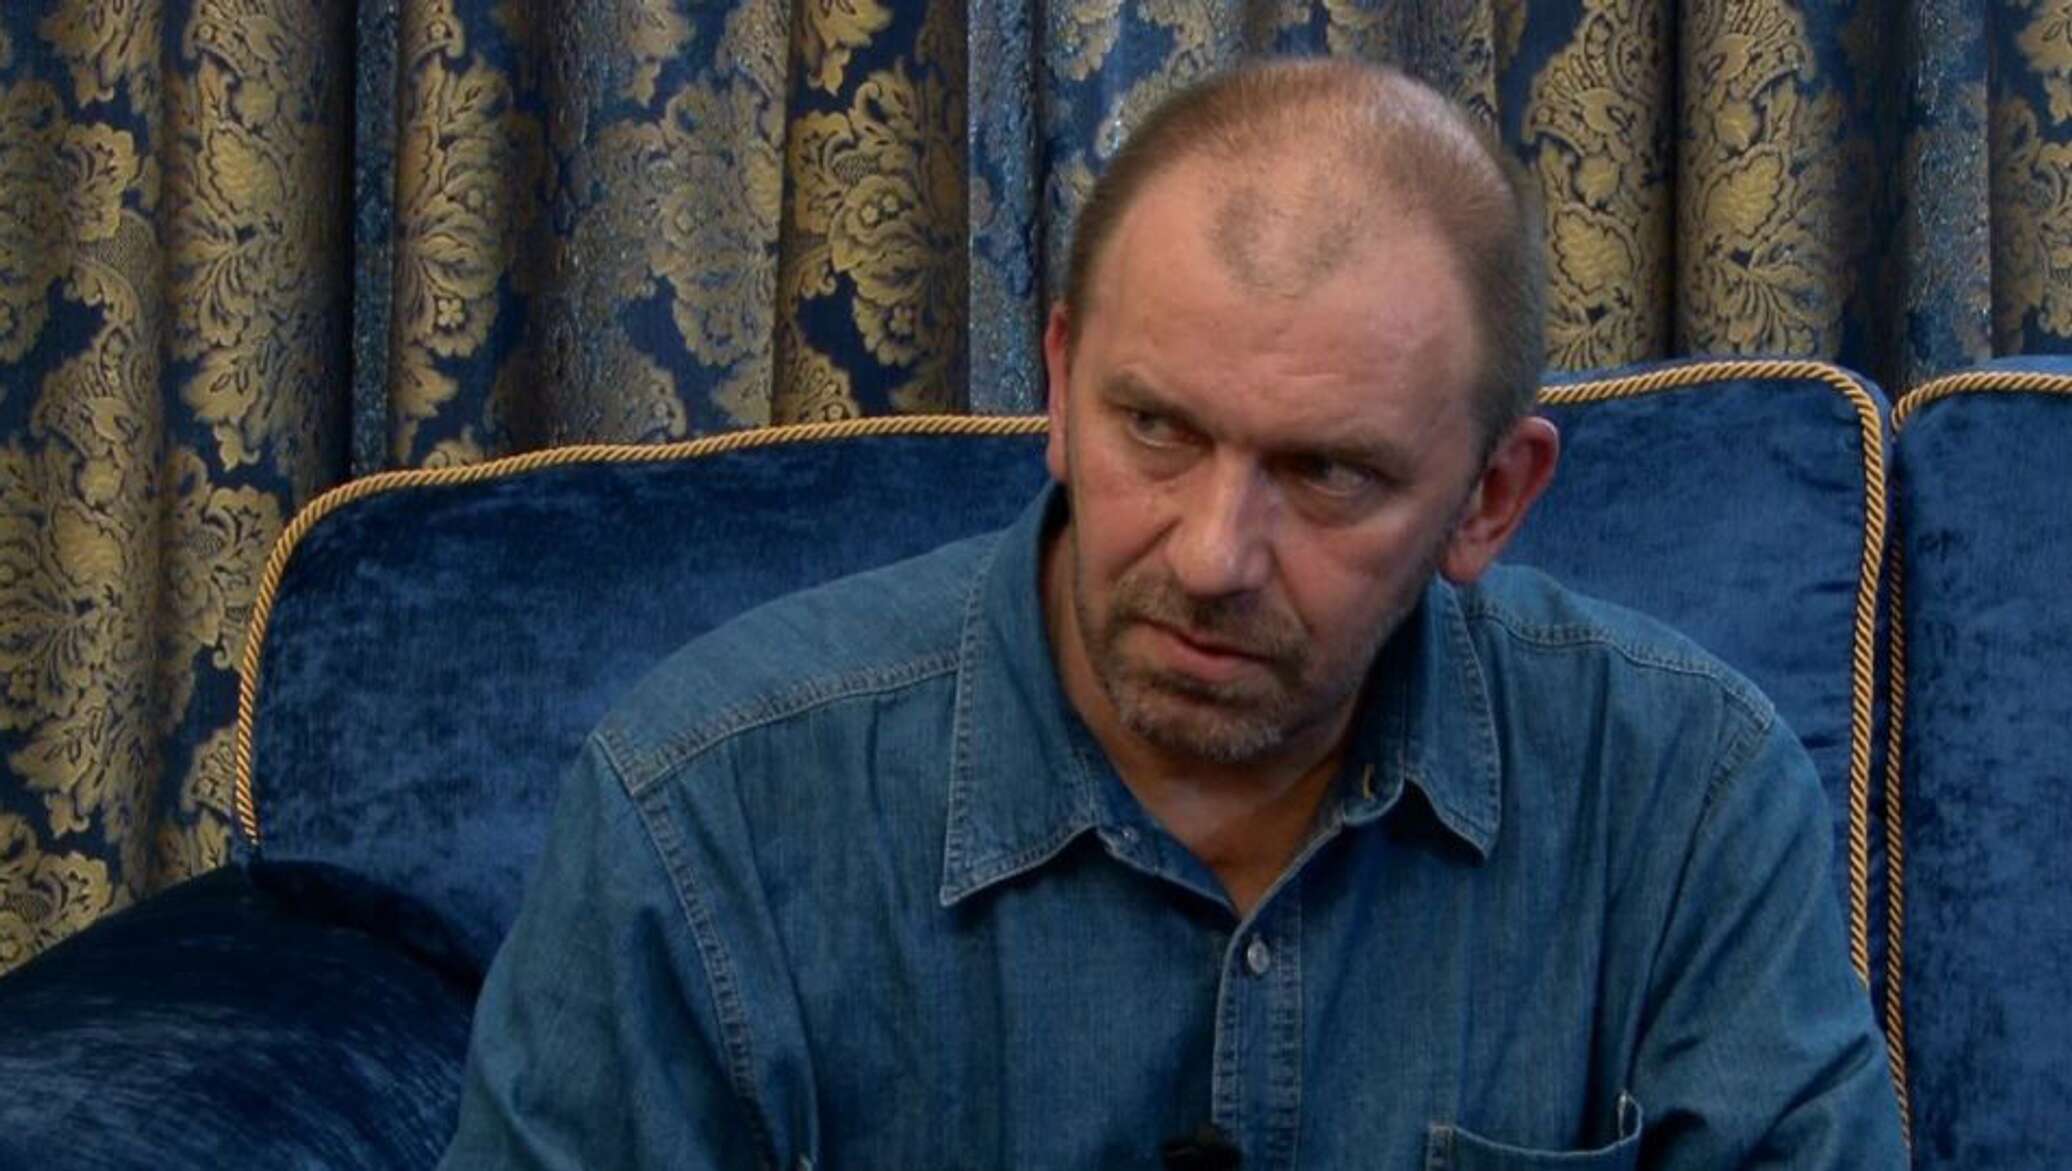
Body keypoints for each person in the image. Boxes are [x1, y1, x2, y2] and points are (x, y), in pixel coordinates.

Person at [441, 59, 1906, 1169]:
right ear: (1061, 383)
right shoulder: (704, 820)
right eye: (1155, 428)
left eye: (1327, 475)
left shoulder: (1683, 797)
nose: (1212, 556)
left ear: (1491, 498)